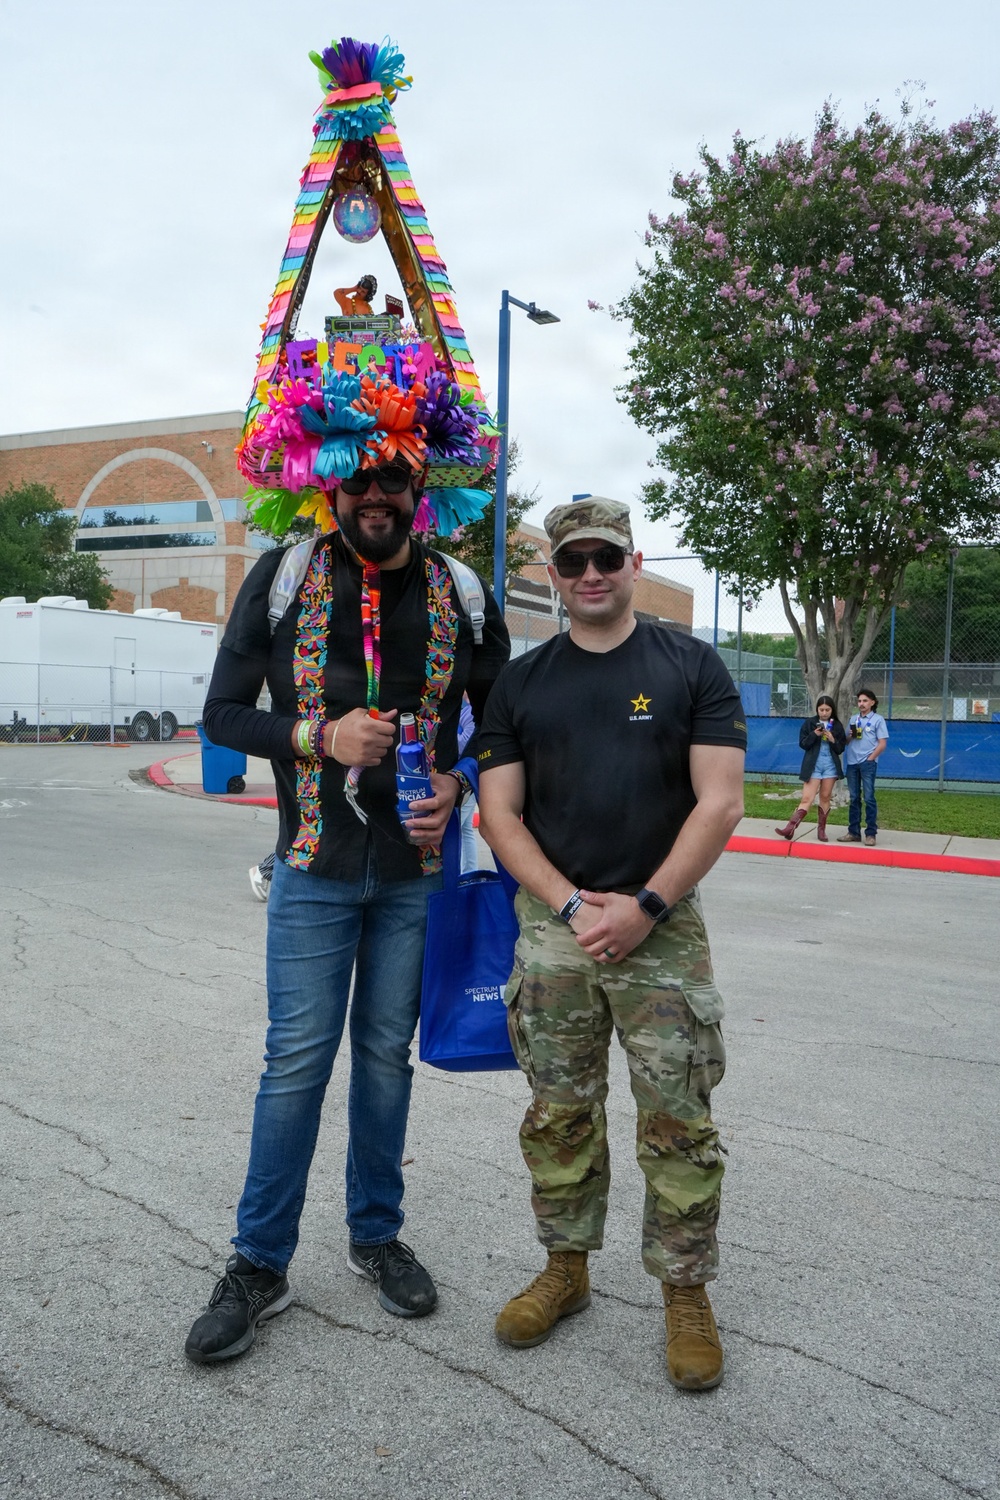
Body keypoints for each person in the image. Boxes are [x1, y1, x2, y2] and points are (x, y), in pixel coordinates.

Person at [184, 457, 509, 1364]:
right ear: (327, 490)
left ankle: (375, 1235)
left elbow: (504, 718)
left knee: (384, 1059)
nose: (376, 497)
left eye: (393, 483)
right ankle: (258, 1264)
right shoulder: (285, 577)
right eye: (358, 482)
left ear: (419, 495)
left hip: (417, 874)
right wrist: (314, 735)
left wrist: (458, 777)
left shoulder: (463, 590)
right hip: (312, 867)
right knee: (294, 1064)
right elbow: (219, 715)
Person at [476, 499, 746, 1393]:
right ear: (552, 575)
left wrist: (646, 905)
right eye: (573, 560)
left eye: (606, 557)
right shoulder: (520, 683)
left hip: (662, 933)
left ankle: (685, 1293)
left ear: (634, 564)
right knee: (559, 1113)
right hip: (556, 935)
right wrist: (571, 905)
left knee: (679, 1120)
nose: (590, 573)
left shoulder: (690, 666)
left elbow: (720, 802)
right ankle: (566, 1270)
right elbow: (499, 814)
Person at [774, 695, 847, 842]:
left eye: (827, 710)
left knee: (825, 797)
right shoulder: (810, 723)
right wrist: (815, 734)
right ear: (817, 709)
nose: (824, 713)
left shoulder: (837, 725)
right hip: (813, 765)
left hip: (830, 767)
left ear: (832, 710)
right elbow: (803, 744)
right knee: (807, 797)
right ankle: (790, 828)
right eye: (821, 710)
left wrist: (832, 739)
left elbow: (840, 748)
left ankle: (821, 830)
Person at [838, 689, 889, 847]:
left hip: (867, 764)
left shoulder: (878, 720)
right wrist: (850, 735)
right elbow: (846, 741)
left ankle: (871, 833)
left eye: (865, 701)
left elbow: (882, 744)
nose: (861, 704)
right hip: (852, 763)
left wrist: (871, 758)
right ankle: (853, 832)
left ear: (872, 702)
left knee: (869, 798)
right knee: (854, 798)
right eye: (859, 701)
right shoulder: (854, 719)